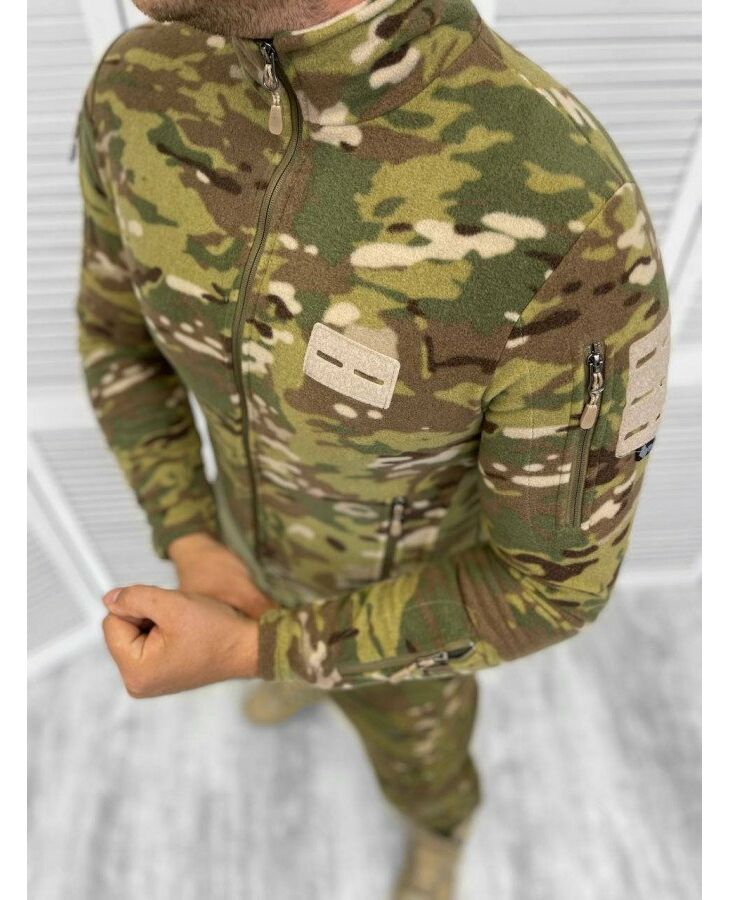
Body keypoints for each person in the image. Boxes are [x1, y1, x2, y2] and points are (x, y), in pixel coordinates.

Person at [74, 0, 671, 896]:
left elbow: (549, 588)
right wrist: (192, 535)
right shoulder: (137, 85)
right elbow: (116, 337)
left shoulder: (570, 217)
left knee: (420, 764)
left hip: (408, 621)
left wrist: (255, 651)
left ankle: (442, 829)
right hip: (236, 554)